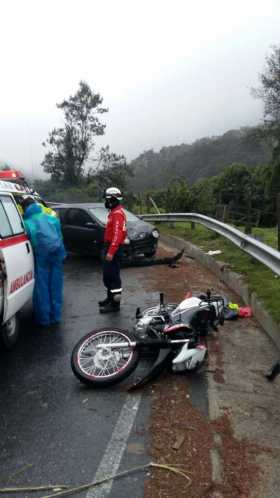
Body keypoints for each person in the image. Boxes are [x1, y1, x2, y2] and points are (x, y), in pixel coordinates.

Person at [22, 197, 66, 327]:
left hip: (41, 257)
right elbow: (60, 237)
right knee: (56, 286)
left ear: (25, 208)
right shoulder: (51, 217)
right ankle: (56, 317)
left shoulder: (27, 222)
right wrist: (62, 255)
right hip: (56, 255)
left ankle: (44, 319)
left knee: (42, 288)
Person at [99, 187, 127, 313]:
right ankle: (110, 298)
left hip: (113, 248)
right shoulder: (114, 212)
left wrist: (111, 252)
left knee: (113, 277)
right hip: (110, 246)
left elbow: (118, 235)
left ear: (113, 199)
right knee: (108, 276)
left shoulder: (117, 214)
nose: (106, 202)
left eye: (107, 199)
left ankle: (115, 305)